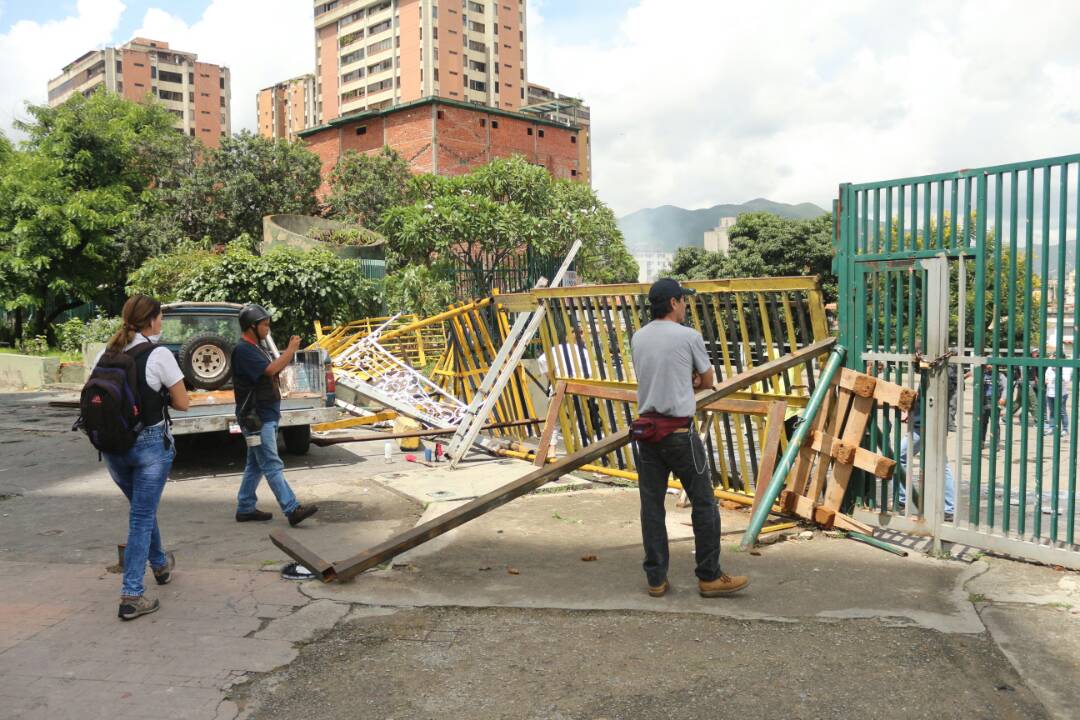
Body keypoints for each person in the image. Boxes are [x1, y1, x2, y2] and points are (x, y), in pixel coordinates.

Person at [630, 278, 748, 598]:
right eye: (683, 301)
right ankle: (709, 576)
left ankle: (656, 579)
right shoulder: (689, 336)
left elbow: (653, 378)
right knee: (705, 504)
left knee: (652, 507)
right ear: (673, 303)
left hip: (647, 435)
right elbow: (708, 380)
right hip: (680, 434)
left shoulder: (638, 338)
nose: (685, 306)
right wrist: (689, 383)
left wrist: (681, 382)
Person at [95, 295, 190, 620]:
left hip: (112, 448)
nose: (161, 323)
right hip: (149, 445)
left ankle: (161, 564)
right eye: (160, 317)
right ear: (150, 320)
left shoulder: (105, 353)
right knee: (141, 517)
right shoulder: (158, 354)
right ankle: (132, 595)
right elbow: (183, 403)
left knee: (142, 511)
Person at [232, 304, 318, 526]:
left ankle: (245, 507)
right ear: (252, 327)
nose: (268, 329)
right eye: (264, 325)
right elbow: (270, 370)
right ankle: (292, 509)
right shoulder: (244, 350)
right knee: (271, 463)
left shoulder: (256, 348)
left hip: (263, 415)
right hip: (256, 418)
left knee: (256, 464)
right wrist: (290, 350)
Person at [1044, 342, 1073, 436]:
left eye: (1054, 356)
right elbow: (1046, 376)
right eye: (1053, 355)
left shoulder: (1066, 367)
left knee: (1062, 412)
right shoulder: (1050, 367)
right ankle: (1052, 428)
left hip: (1061, 393)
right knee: (1052, 411)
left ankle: (1065, 429)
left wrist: (1057, 371)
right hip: (1050, 392)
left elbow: (1066, 380)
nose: (1052, 357)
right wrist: (1046, 380)